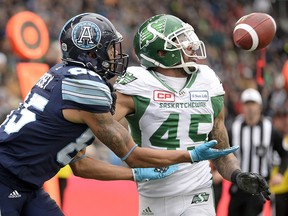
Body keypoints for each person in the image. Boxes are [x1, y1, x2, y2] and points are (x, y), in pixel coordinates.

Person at [0, 13, 239, 216]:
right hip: (5, 177)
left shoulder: (64, 74)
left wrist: (133, 175)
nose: (116, 55)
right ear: (90, 53)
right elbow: (132, 155)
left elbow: (81, 165)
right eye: (110, 49)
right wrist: (191, 155)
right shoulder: (87, 86)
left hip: (27, 183)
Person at [113, 14, 271, 216]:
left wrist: (237, 175)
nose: (190, 43)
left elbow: (221, 151)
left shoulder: (207, 80)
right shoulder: (138, 83)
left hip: (199, 196)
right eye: (179, 39)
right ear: (161, 52)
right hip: (155, 198)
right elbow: (101, 125)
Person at [227, 88, 288, 216]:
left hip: (259, 186)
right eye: (247, 104)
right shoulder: (234, 128)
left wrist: (281, 174)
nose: (250, 108)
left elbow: (285, 153)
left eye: (253, 104)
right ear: (242, 106)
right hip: (238, 185)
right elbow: (224, 152)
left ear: (259, 106)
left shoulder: (269, 129)